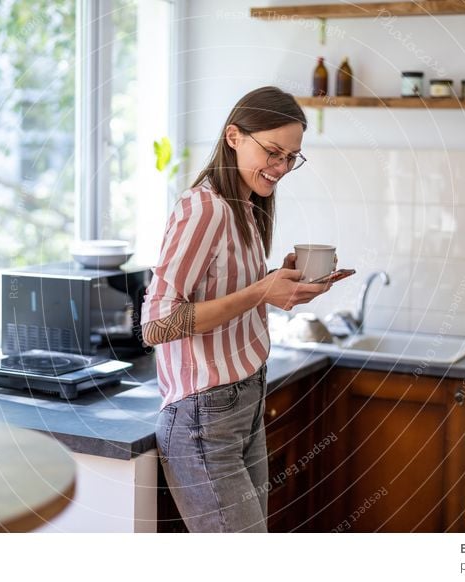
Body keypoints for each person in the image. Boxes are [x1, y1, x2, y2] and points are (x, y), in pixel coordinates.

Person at [140, 86, 333, 533]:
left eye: (291, 157)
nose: (281, 167)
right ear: (233, 137)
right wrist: (259, 292)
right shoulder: (203, 208)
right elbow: (157, 325)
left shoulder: (244, 206)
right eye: (272, 152)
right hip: (204, 416)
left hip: (245, 402)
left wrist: (277, 278)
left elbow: (222, 287)